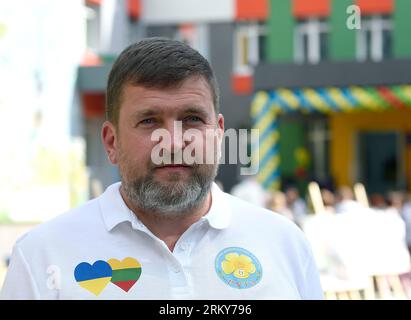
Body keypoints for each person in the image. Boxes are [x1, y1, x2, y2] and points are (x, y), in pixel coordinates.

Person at [1, 38, 323, 299]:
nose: (172, 142)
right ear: (111, 142)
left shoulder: (285, 245)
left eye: (193, 119)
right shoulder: (41, 257)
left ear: (219, 134)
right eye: (149, 120)